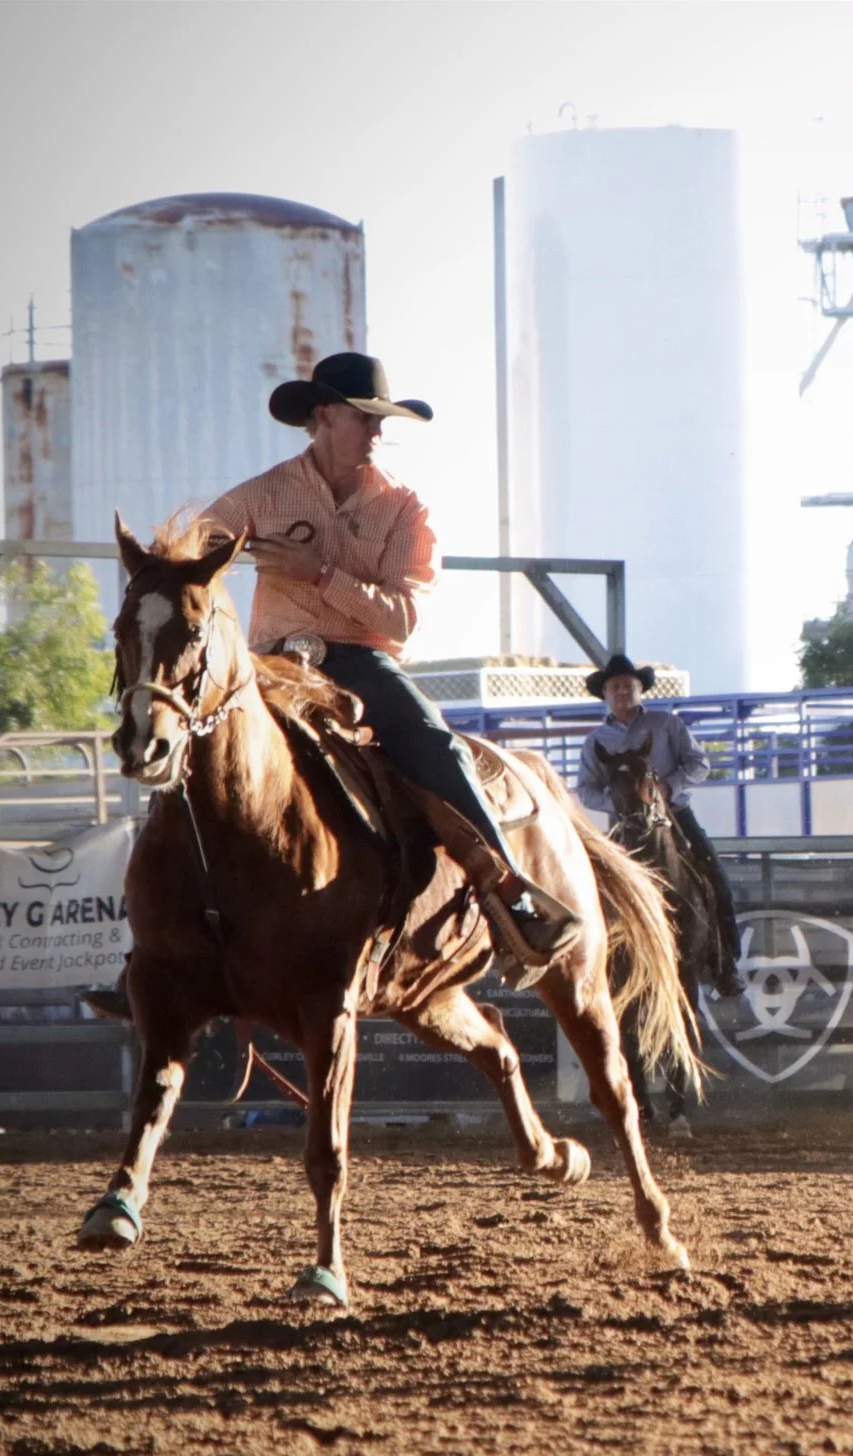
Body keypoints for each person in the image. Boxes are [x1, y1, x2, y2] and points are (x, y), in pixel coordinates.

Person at [204, 352, 578, 976]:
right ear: (323, 416)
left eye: (383, 422)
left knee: (435, 743)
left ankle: (505, 891)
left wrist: (317, 574)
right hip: (270, 667)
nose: (379, 433)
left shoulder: (403, 508)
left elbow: (404, 618)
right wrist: (198, 561)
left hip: (359, 664)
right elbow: (196, 546)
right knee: (190, 744)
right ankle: (164, 935)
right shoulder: (260, 495)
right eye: (366, 418)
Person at [576, 653, 745, 998]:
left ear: (640, 690)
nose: (622, 692)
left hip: (677, 816)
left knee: (716, 880)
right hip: (626, 825)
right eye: (615, 687)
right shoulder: (596, 741)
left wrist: (669, 787)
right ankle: (594, 966)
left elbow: (700, 764)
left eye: (628, 686)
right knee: (589, 889)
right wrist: (624, 804)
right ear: (605, 694)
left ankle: (726, 963)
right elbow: (586, 791)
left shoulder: (667, 724)